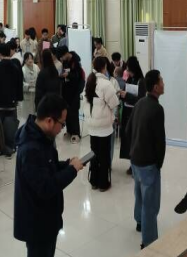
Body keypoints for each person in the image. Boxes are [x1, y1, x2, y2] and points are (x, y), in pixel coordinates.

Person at [13, 93, 84, 257]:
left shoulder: (42, 137)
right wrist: (72, 171)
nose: (63, 128)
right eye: (62, 124)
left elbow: (48, 166)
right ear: (49, 121)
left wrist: (67, 164)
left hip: (47, 218)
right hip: (37, 224)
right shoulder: (31, 149)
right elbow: (46, 187)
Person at [126, 70, 165, 250]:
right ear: (156, 87)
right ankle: (148, 243)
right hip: (149, 163)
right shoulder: (157, 109)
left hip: (135, 159)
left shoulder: (140, 102)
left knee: (139, 193)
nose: (163, 83)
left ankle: (139, 222)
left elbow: (128, 130)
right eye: (161, 81)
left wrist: (134, 150)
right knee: (150, 205)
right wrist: (159, 163)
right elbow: (159, 141)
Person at [82, 56, 118, 192]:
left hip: (92, 125)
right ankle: (103, 183)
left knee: (94, 153)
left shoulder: (89, 81)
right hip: (104, 126)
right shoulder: (106, 84)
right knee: (104, 155)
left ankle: (94, 181)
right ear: (104, 67)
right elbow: (114, 103)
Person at [0, 42, 23, 151]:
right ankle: (11, 146)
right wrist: (18, 98)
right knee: (11, 124)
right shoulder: (15, 67)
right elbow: (19, 84)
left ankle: (0, 145)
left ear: (0, 53)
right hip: (12, 102)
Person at [58, 47, 84, 144]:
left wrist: (68, 75)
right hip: (66, 89)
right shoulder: (65, 62)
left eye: (62, 56)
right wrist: (62, 76)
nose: (62, 59)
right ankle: (69, 131)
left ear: (66, 53)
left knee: (73, 111)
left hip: (75, 90)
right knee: (67, 111)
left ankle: (76, 133)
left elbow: (77, 77)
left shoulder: (76, 62)